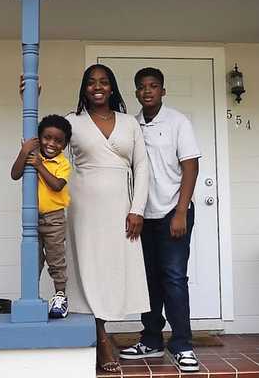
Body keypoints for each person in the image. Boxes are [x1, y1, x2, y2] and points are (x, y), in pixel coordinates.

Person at [64, 64, 150, 372]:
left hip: (120, 206)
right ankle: (101, 337)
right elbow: (48, 147)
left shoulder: (129, 123)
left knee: (113, 267)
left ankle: (104, 329)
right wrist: (28, 99)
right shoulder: (71, 121)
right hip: (82, 205)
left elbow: (142, 167)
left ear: (112, 88)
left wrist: (137, 208)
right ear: (84, 88)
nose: (97, 86)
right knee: (88, 267)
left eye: (104, 82)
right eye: (91, 82)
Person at [119, 67, 201, 372]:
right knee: (149, 281)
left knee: (174, 278)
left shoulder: (178, 121)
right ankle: (151, 340)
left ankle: (182, 345)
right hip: (143, 215)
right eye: (141, 87)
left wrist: (181, 211)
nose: (147, 91)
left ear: (162, 91)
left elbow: (190, 167)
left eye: (153, 86)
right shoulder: (131, 124)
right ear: (136, 92)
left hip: (173, 213)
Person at [11, 114, 73, 319]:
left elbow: (57, 186)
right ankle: (32, 297)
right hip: (32, 219)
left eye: (58, 140)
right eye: (47, 137)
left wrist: (39, 165)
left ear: (64, 144)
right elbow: (15, 173)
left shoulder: (62, 163)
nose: (51, 143)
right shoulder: (32, 155)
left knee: (56, 259)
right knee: (33, 259)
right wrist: (24, 151)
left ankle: (60, 296)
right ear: (39, 137)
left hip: (54, 218)